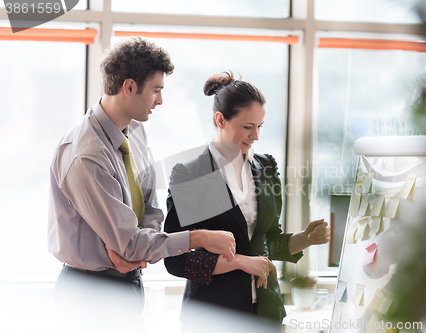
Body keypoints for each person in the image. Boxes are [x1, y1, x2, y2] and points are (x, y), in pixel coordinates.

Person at [47, 37, 235, 333]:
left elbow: (150, 204)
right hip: (89, 293)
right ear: (129, 87)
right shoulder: (87, 155)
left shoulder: (135, 129)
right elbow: (131, 243)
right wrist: (198, 238)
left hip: (128, 282)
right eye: (156, 90)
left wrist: (137, 249)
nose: (160, 100)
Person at [162, 71, 331, 327]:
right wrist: (240, 262)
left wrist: (305, 239)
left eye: (260, 126)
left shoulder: (266, 168)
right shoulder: (193, 174)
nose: (256, 136)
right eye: (248, 127)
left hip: (266, 313)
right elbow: (175, 259)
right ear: (220, 120)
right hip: (213, 316)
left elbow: (267, 243)